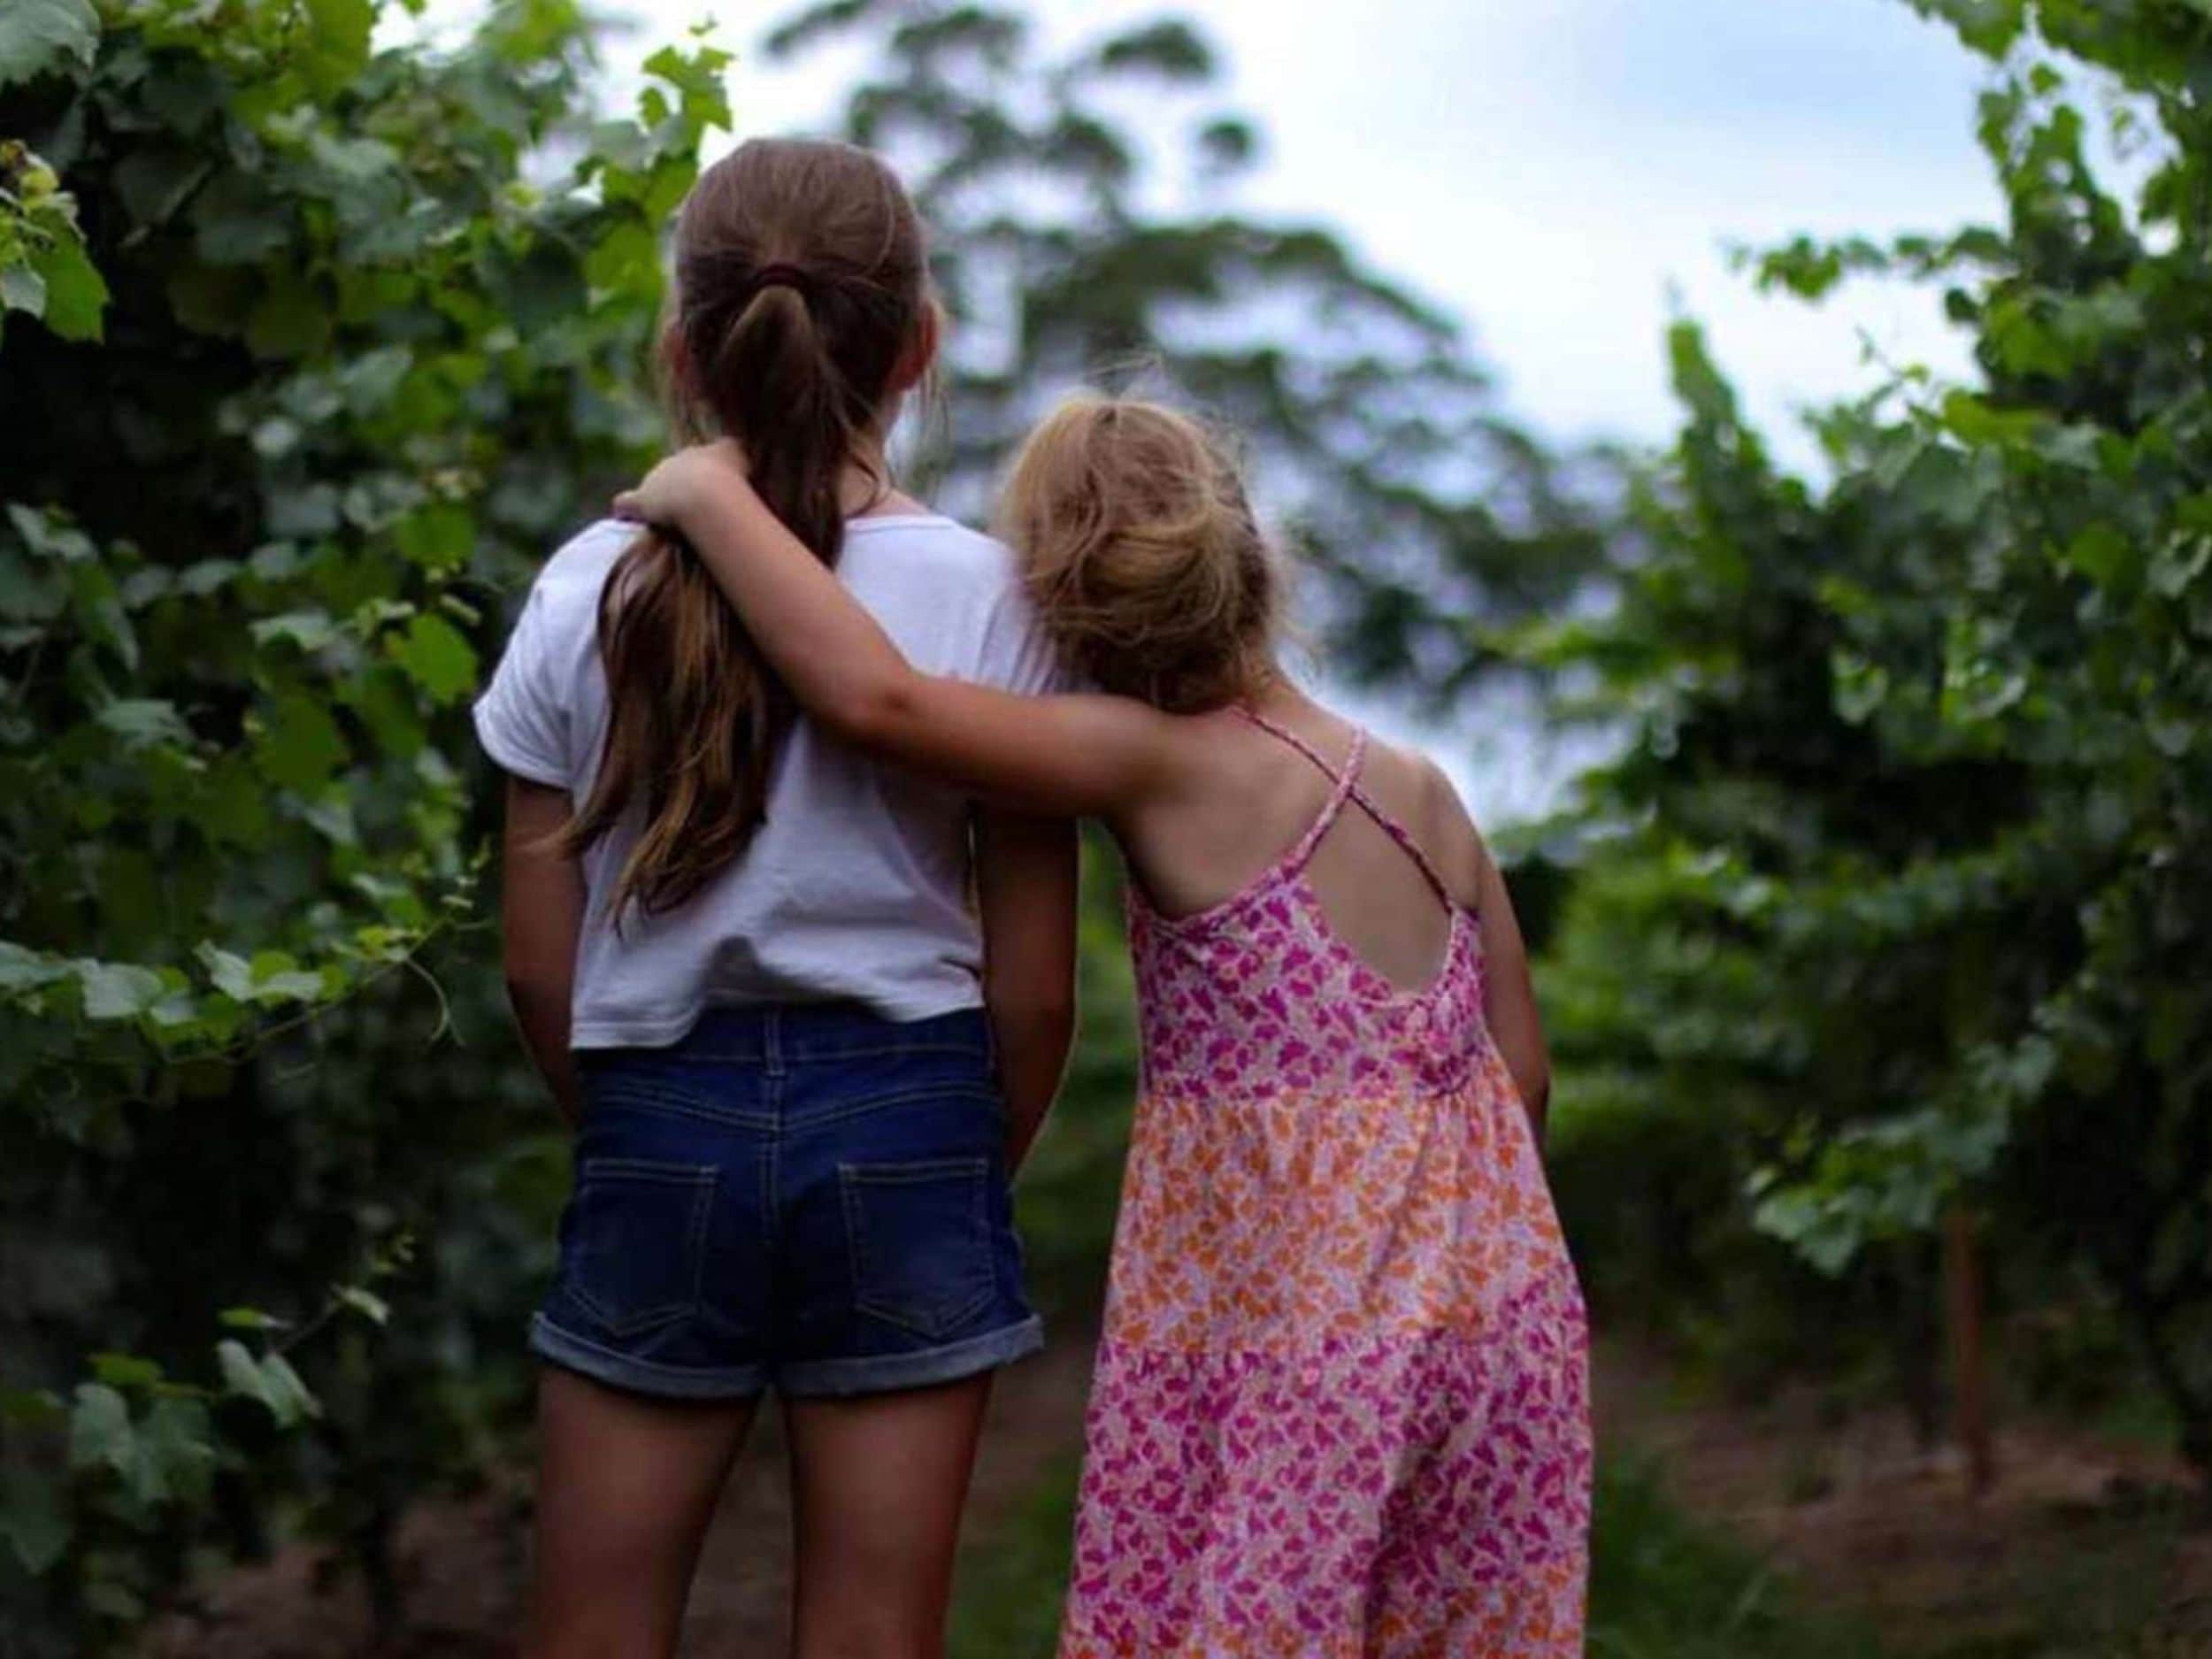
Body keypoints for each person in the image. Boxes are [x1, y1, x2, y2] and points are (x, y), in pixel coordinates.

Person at [612, 396, 1594, 1655]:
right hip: (1504, 1331)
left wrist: (708, 500)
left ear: (1065, 607)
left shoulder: (1157, 764)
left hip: (1303, 1343)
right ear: (1246, 555)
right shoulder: (1420, 788)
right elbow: (1525, 1076)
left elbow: (883, 706)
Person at [473, 138, 1079, 1659]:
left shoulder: (582, 588)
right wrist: (953, 1147)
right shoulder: (998, 602)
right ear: (920, 350)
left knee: (594, 1626)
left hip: (655, 1108)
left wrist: (636, 1119)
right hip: (917, 1114)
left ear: (685, 351)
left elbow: (539, 972)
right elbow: (1039, 985)